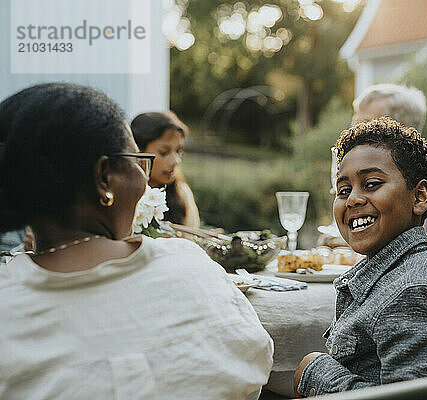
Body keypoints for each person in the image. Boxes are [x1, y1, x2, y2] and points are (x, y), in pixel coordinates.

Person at [0, 83, 273, 399]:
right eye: (138, 160)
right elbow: (257, 360)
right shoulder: (189, 266)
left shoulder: (9, 302)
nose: (145, 178)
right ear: (104, 177)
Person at [293, 117, 427, 396]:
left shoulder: (416, 289)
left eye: (372, 184)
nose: (353, 199)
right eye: (344, 190)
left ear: (419, 197)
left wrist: (313, 371)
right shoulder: (395, 269)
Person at [352, 83, 427, 241]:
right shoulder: (357, 180)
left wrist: (408, 243)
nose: (354, 134)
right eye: (354, 125)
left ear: (401, 130)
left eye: (365, 125)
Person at [130, 111, 200, 227]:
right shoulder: (122, 194)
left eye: (179, 151)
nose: (176, 161)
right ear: (138, 152)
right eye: (164, 153)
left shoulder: (182, 193)